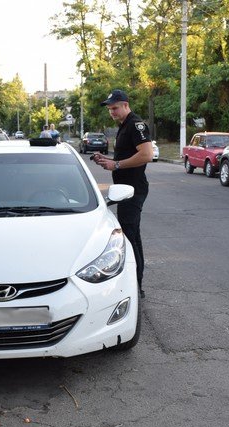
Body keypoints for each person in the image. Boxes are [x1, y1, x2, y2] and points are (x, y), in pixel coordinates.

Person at [91, 89, 153, 298]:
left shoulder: (136, 124)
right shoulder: (124, 126)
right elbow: (127, 155)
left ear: (126, 105)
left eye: (115, 108)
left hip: (133, 189)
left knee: (130, 237)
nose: (112, 112)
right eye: (110, 109)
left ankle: (135, 287)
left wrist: (116, 164)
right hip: (125, 189)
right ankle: (135, 284)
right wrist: (107, 159)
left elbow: (147, 154)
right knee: (131, 235)